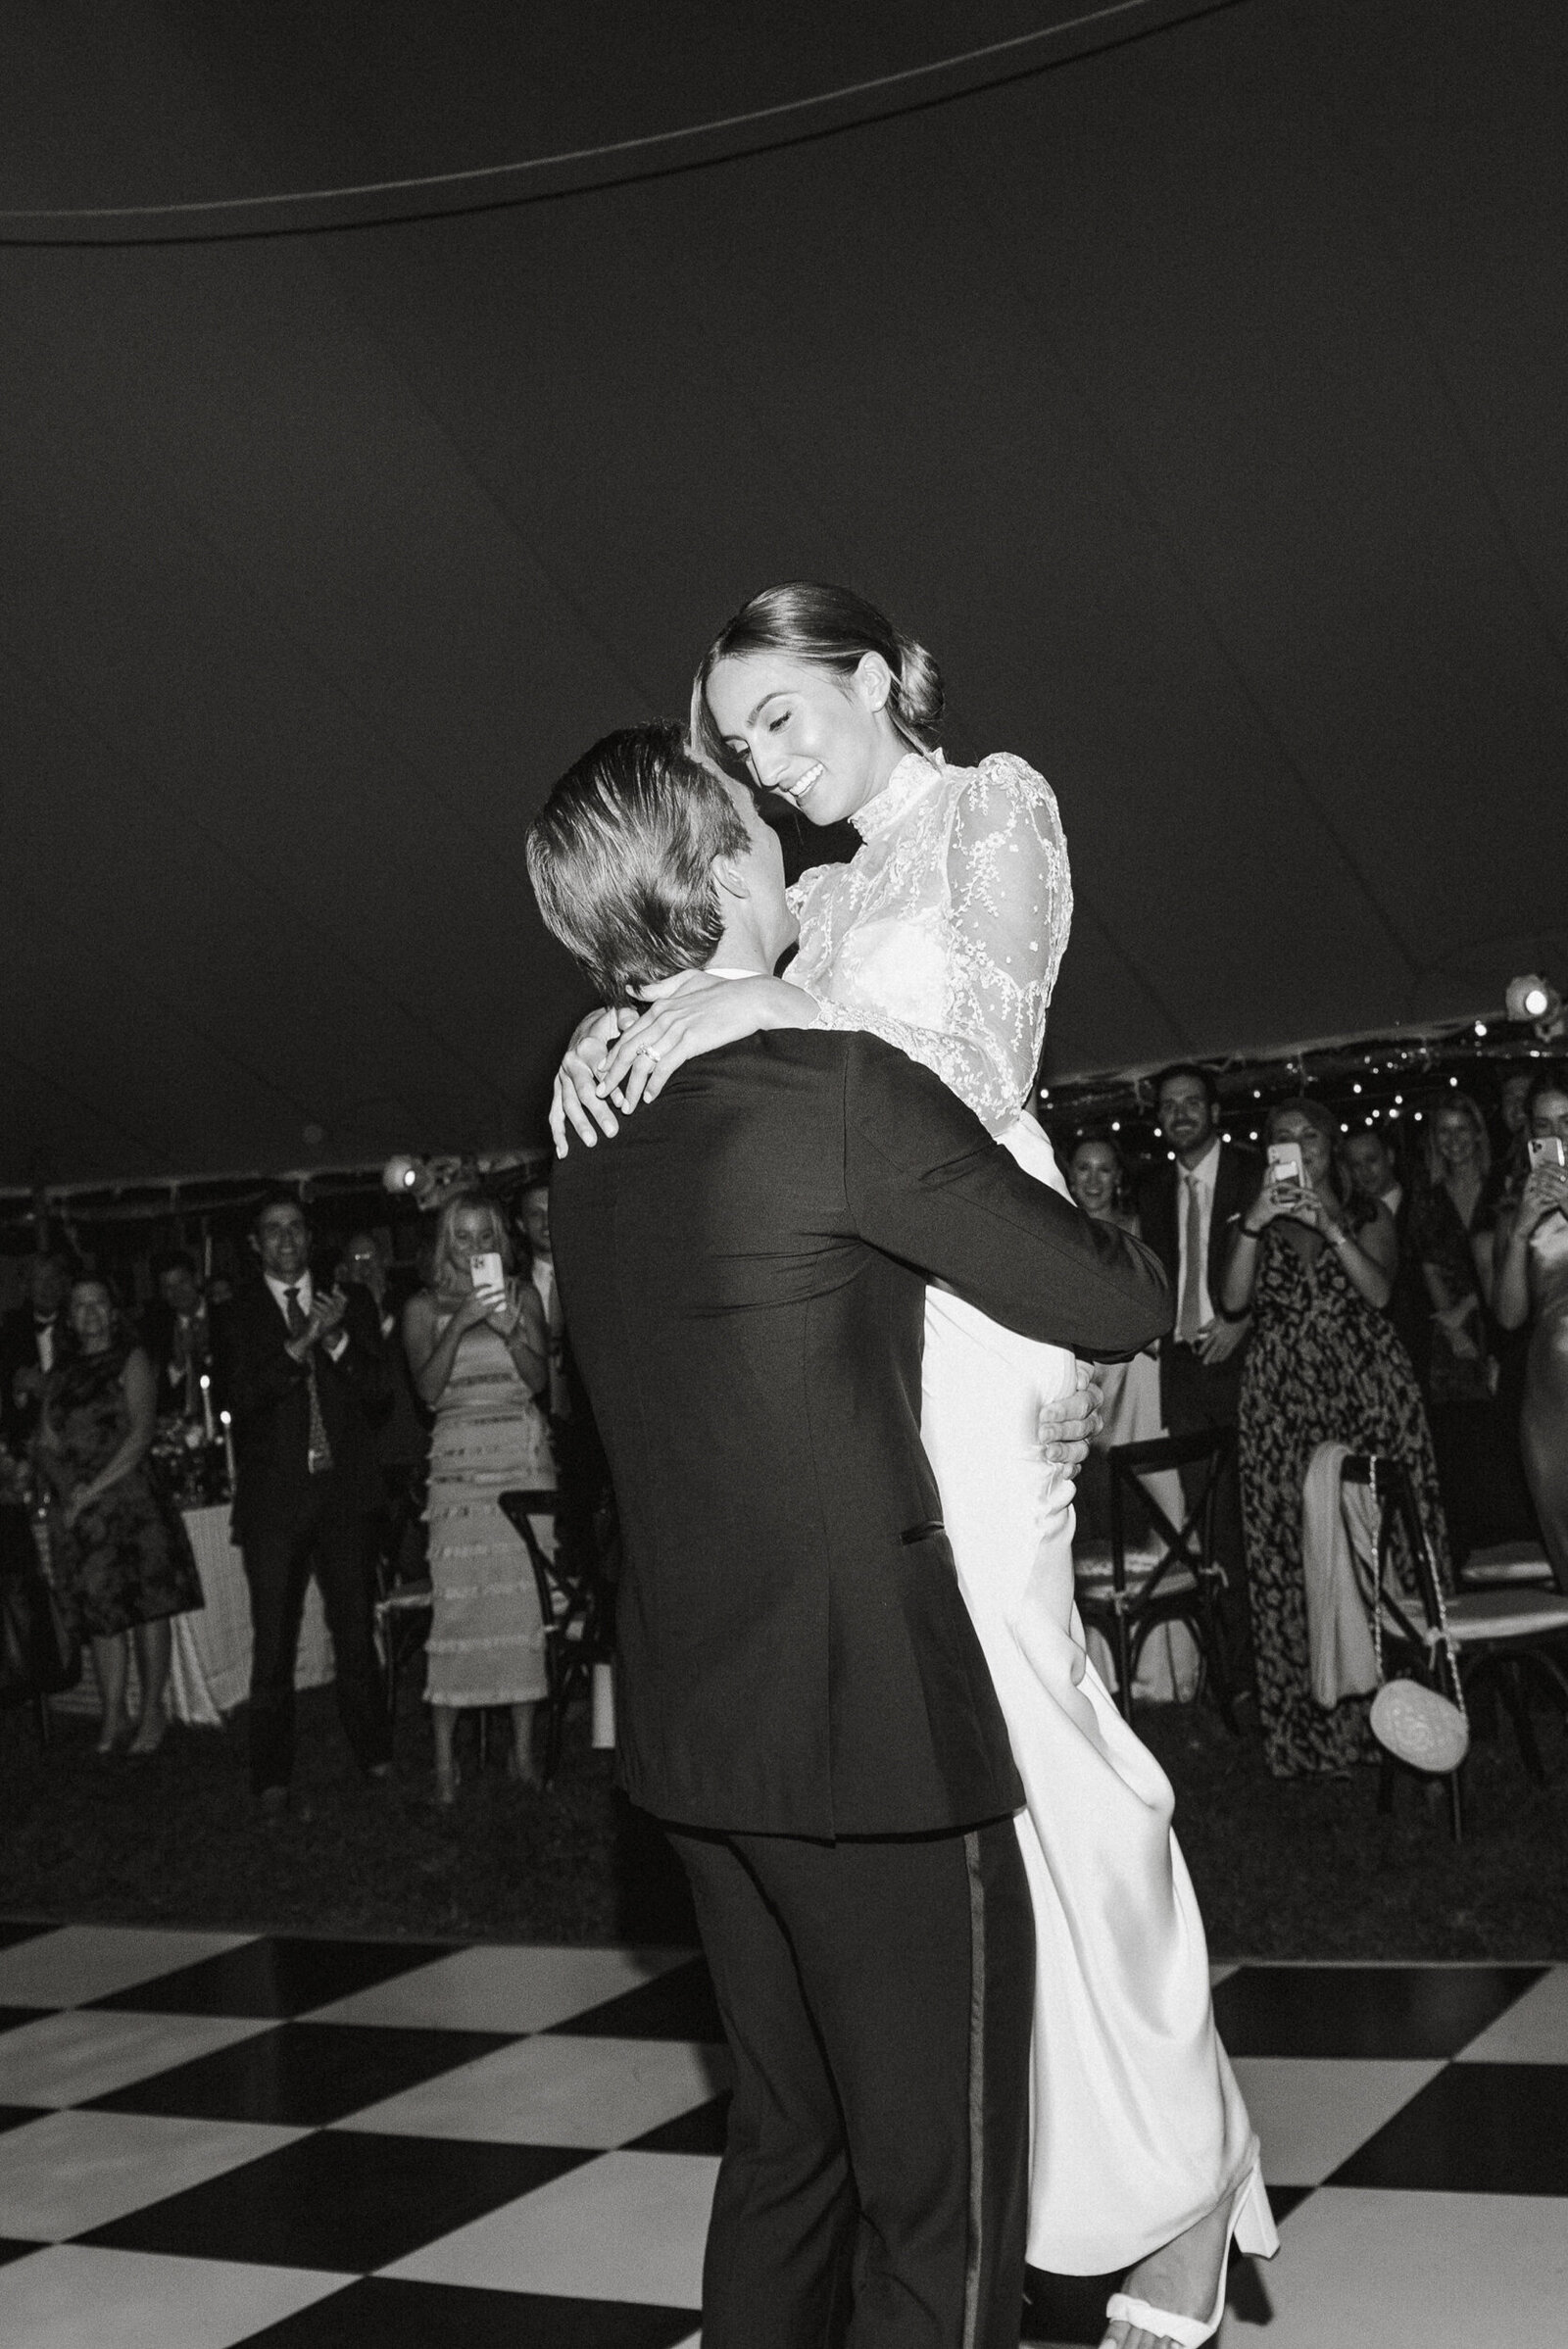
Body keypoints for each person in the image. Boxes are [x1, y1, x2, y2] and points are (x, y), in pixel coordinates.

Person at [552, 586, 1275, 2349]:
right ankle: (1051, 2197)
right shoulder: (797, 904)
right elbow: (705, 984)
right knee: (960, 1799)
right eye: (738, 746)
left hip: (981, 1306)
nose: (766, 765)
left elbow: (963, 1066)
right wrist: (635, 1018)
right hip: (864, 1322)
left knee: (1039, 1745)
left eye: (785, 718)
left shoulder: (993, 808)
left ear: (876, 679)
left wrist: (756, 1023)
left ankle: (1165, 2197)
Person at [1220, 1100, 1450, 1777]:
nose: (1299, 1146)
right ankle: (1316, 1737)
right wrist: (1258, 1223)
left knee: (1383, 1549)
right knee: (1293, 1556)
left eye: (1310, 1135)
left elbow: (1379, 1294)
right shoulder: (1248, 1224)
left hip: (1367, 1394)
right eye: (1282, 1138)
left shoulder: (1368, 1212)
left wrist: (1329, 1224)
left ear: (1330, 1144)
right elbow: (1233, 1303)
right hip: (1282, 1408)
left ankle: (1410, 1726)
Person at [220, 1193, 392, 1810]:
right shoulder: (237, 1314)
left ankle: (375, 1754)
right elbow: (243, 1398)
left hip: (344, 1496)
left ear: (310, 1237)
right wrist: (301, 1344)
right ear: (255, 1244)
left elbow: (378, 1398)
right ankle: (271, 1775)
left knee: (353, 1630)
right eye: (272, 1231)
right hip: (275, 1504)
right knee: (273, 1643)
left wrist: (338, 1337)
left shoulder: (353, 1300)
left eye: (295, 1229)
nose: (286, 1241)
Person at [402, 1194, 552, 1803]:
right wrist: (461, 1322)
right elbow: (429, 1393)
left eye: (483, 1235)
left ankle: (521, 1754)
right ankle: (444, 1764)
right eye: (460, 1237)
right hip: (460, 1474)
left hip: (519, 1462)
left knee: (520, 1614)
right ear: (444, 1244)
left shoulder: (524, 1296)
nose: (472, 1248)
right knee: (458, 1610)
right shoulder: (421, 1308)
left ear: (499, 1240)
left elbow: (540, 1381)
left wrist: (510, 1329)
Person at [36, 1276, 202, 1757]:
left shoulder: (133, 1359)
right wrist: (70, 1489)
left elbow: (140, 1433)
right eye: (80, 1305)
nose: (90, 1313)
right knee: (103, 1613)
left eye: (99, 1303)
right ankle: (114, 1710)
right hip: (84, 1507)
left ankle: (153, 1709)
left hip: (131, 1501)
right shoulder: (61, 1373)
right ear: (70, 1318)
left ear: (113, 1312)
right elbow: (45, 1444)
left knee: (148, 1606)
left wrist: (92, 1489)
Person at [1137, 1066, 1261, 1686]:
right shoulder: (1155, 1187)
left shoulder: (1254, 1173)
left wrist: (1247, 1320)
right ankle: (1231, 1673)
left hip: (1246, 1362)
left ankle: (1269, 1665)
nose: (1180, 1113)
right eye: (1168, 1105)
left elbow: (1286, 1259)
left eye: (1191, 1103)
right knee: (1207, 1527)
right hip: (1183, 1370)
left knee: (1257, 1515)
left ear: (1215, 1110)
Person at [1066, 1133, 1185, 1552]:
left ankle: (1171, 1577)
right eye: (1084, 1168)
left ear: (1118, 1177)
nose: (1093, 1180)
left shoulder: (1142, 1226)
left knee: (1156, 1478)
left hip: (1139, 1370)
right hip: (1085, 1370)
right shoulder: (1058, 1227)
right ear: (1070, 1175)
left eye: (1104, 1169)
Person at [1408, 1092, 1508, 1560]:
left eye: (1461, 1129)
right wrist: (1454, 1326)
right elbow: (1429, 1266)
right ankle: (1474, 1560)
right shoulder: (1426, 1196)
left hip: (1504, 1319)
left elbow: (1507, 1262)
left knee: (1507, 1439)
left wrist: (1468, 1308)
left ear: (1477, 1133)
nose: (1453, 1140)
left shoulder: (1504, 1186)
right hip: (1452, 1334)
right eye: (1443, 1131)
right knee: (1462, 1450)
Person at [1489, 1068, 1568, 1590]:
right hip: (1550, 1399)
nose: (1557, 1137)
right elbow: (1509, 1316)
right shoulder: (1516, 1205)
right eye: (1544, 1125)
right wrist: (1520, 1231)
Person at [337, 1230, 430, 1586]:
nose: (365, 1268)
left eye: (371, 1258)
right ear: (343, 1269)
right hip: (371, 1460)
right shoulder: (338, 1317)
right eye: (356, 1261)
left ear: (386, 1262)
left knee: (421, 1557)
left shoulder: (411, 1304)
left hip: (414, 1448)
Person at [1341, 1123, 1429, 1387]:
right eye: (1354, 1165)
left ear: (1389, 1157)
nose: (1363, 1172)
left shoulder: (1422, 1204)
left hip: (1425, 1346)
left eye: (1371, 1160)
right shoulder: (1344, 1220)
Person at [2, 1252, 73, 1453]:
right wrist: (20, 1389)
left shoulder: (78, 1323)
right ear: (26, 1287)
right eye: (40, 1280)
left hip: (77, 1438)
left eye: (54, 1278)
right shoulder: (11, 1331)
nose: (48, 1287)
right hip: (28, 1443)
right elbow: (7, 1397)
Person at [144, 1250, 225, 1420]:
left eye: (182, 1282)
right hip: (179, 1422)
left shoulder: (224, 1316)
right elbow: (156, 1392)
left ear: (196, 1280)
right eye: (168, 1287)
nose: (177, 1292)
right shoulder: (157, 1329)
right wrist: (178, 1364)